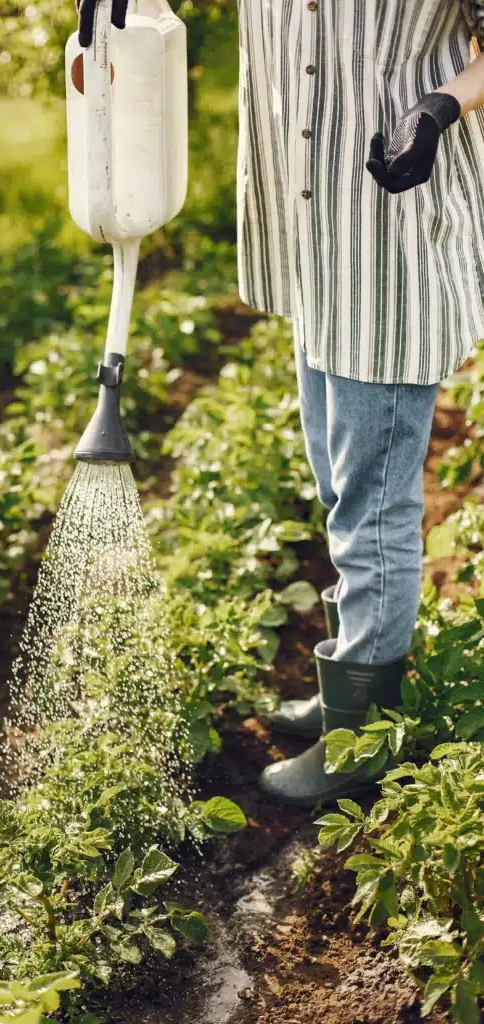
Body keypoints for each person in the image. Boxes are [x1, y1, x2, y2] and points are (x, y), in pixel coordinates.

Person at [75, 2, 484, 806]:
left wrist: (439, 109)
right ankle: (352, 678)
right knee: (337, 482)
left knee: (371, 505)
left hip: (389, 233)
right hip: (312, 232)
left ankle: (362, 740)